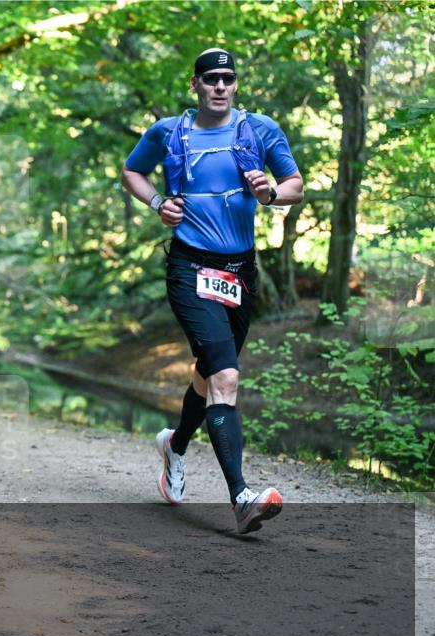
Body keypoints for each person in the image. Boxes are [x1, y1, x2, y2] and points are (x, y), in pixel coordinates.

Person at [122, 48, 304, 533]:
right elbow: (131, 171)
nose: (220, 86)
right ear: (195, 84)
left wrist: (269, 193)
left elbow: (295, 186)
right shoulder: (169, 132)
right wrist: (159, 202)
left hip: (241, 270)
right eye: (211, 79)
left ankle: (175, 445)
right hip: (189, 267)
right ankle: (242, 497)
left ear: (235, 85)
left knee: (208, 378)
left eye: (228, 79)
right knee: (226, 377)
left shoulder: (258, 129)